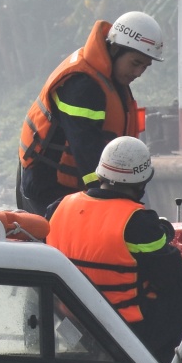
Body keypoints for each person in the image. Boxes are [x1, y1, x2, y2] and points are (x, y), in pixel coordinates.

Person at [45, 136, 182, 363]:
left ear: (101, 173)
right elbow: (169, 278)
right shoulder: (138, 222)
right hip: (127, 333)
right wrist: (161, 238)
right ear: (142, 181)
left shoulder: (58, 208)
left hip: (74, 326)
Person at [18, 11, 166, 216]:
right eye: (135, 63)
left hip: (76, 185)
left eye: (144, 66)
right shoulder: (82, 86)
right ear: (115, 49)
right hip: (49, 185)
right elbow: (86, 147)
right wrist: (108, 202)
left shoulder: (111, 79)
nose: (138, 72)